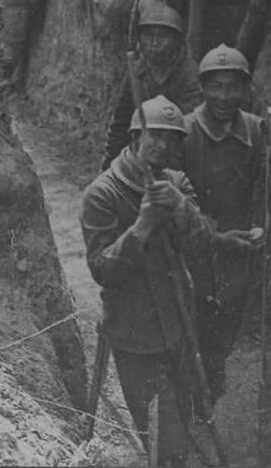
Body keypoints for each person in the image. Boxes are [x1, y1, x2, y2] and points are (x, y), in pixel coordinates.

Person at [81, 95, 255, 466]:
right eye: (154, 136)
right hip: (135, 333)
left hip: (179, 326)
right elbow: (102, 270)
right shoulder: (102, 193)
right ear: (133, 138)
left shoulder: (176, 182)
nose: (162, 146)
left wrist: (180, 207)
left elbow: (203, 244)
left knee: (190, 413)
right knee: (164, 439)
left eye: (171, 139)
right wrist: (142, 227)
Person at [182, 44, 266, 400]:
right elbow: (176, 200)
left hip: (239, 247)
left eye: (233, 87)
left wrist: (262, 226)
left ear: (246, 90)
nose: (224, 96)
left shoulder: (257, 131)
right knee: (195, 322)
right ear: (202, 88)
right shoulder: (184, 133)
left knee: (229, 324)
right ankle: (195, 395)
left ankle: (213, 390)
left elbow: (266, 185)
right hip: (196, 245)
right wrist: (212, 235)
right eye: (215, 86)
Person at [100, 1, 202, 171]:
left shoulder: (188, 73)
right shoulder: (136, 71)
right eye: (149, 36)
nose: (154, 43)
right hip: (140, 154)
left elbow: (189, 126)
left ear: (176, 40)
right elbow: (121, 120)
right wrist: (108, 165)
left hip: (175, 154)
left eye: (162, 36)